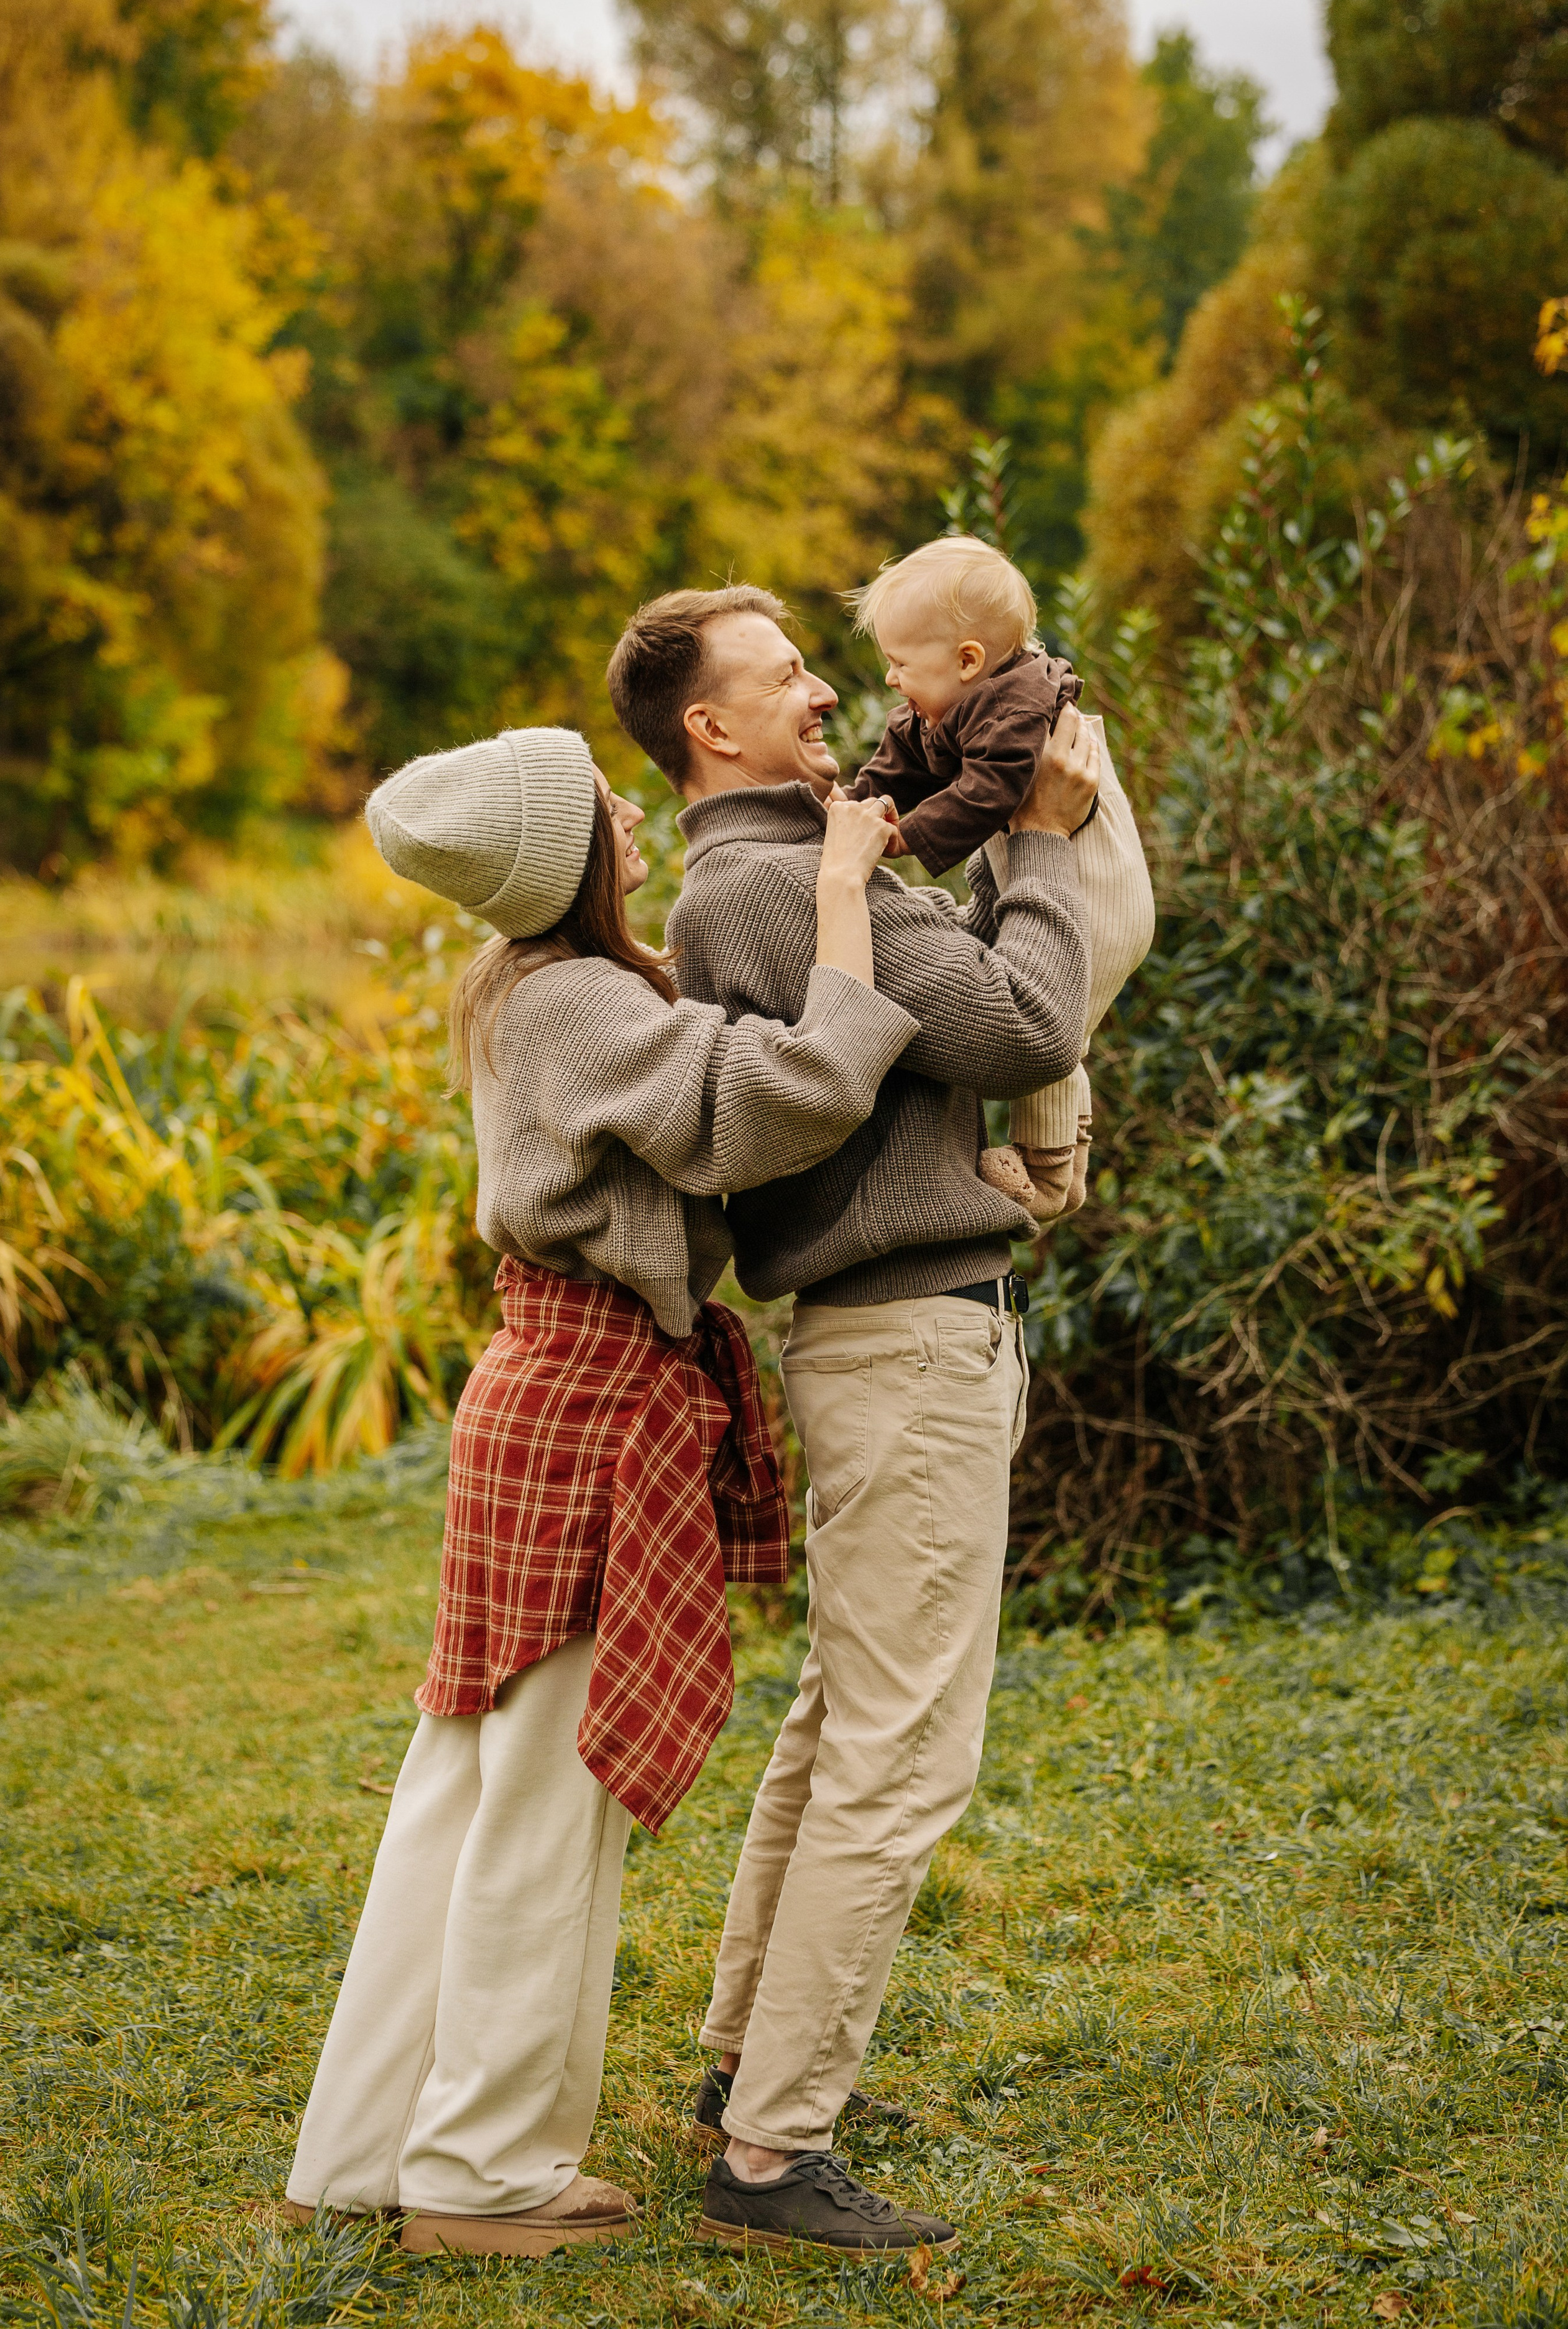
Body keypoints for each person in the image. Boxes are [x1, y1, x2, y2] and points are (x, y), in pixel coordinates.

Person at [284, 724, 928, 2260]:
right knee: (540, 1810)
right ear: (557, 858)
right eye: (598, 806)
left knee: (475, 1786)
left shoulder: (531, 988)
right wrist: (842, 891)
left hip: (545, 1391)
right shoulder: (574, 997)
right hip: (586, 1405)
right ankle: (481, 2174)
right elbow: (792, 1090)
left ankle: (375, 2146)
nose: (630, 816)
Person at [604, 587, 1098, 2255]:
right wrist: (1038, 850)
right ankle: (769, 2158)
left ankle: (750, 2072)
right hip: (907, 1350)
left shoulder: (779, 874)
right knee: (900, 1758)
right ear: (709, 732)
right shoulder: (778, 883)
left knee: (839, 1730)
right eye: (784, 677)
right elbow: (1031, 1022)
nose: (825, 692)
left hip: (879, 1345)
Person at [847, 534, 1156, 1221]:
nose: (892, 679)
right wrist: (857, 801)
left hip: (1097, 889)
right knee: (1052, 1014)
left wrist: (908, 836)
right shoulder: (959, 701)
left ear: (967, 661)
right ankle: (1067, 1163)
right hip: (1050, 879)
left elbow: (988, 793)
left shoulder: (1018, 708)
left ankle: (1045, 1180)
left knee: (1052, 1024)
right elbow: (906, 753)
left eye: (900, 663)